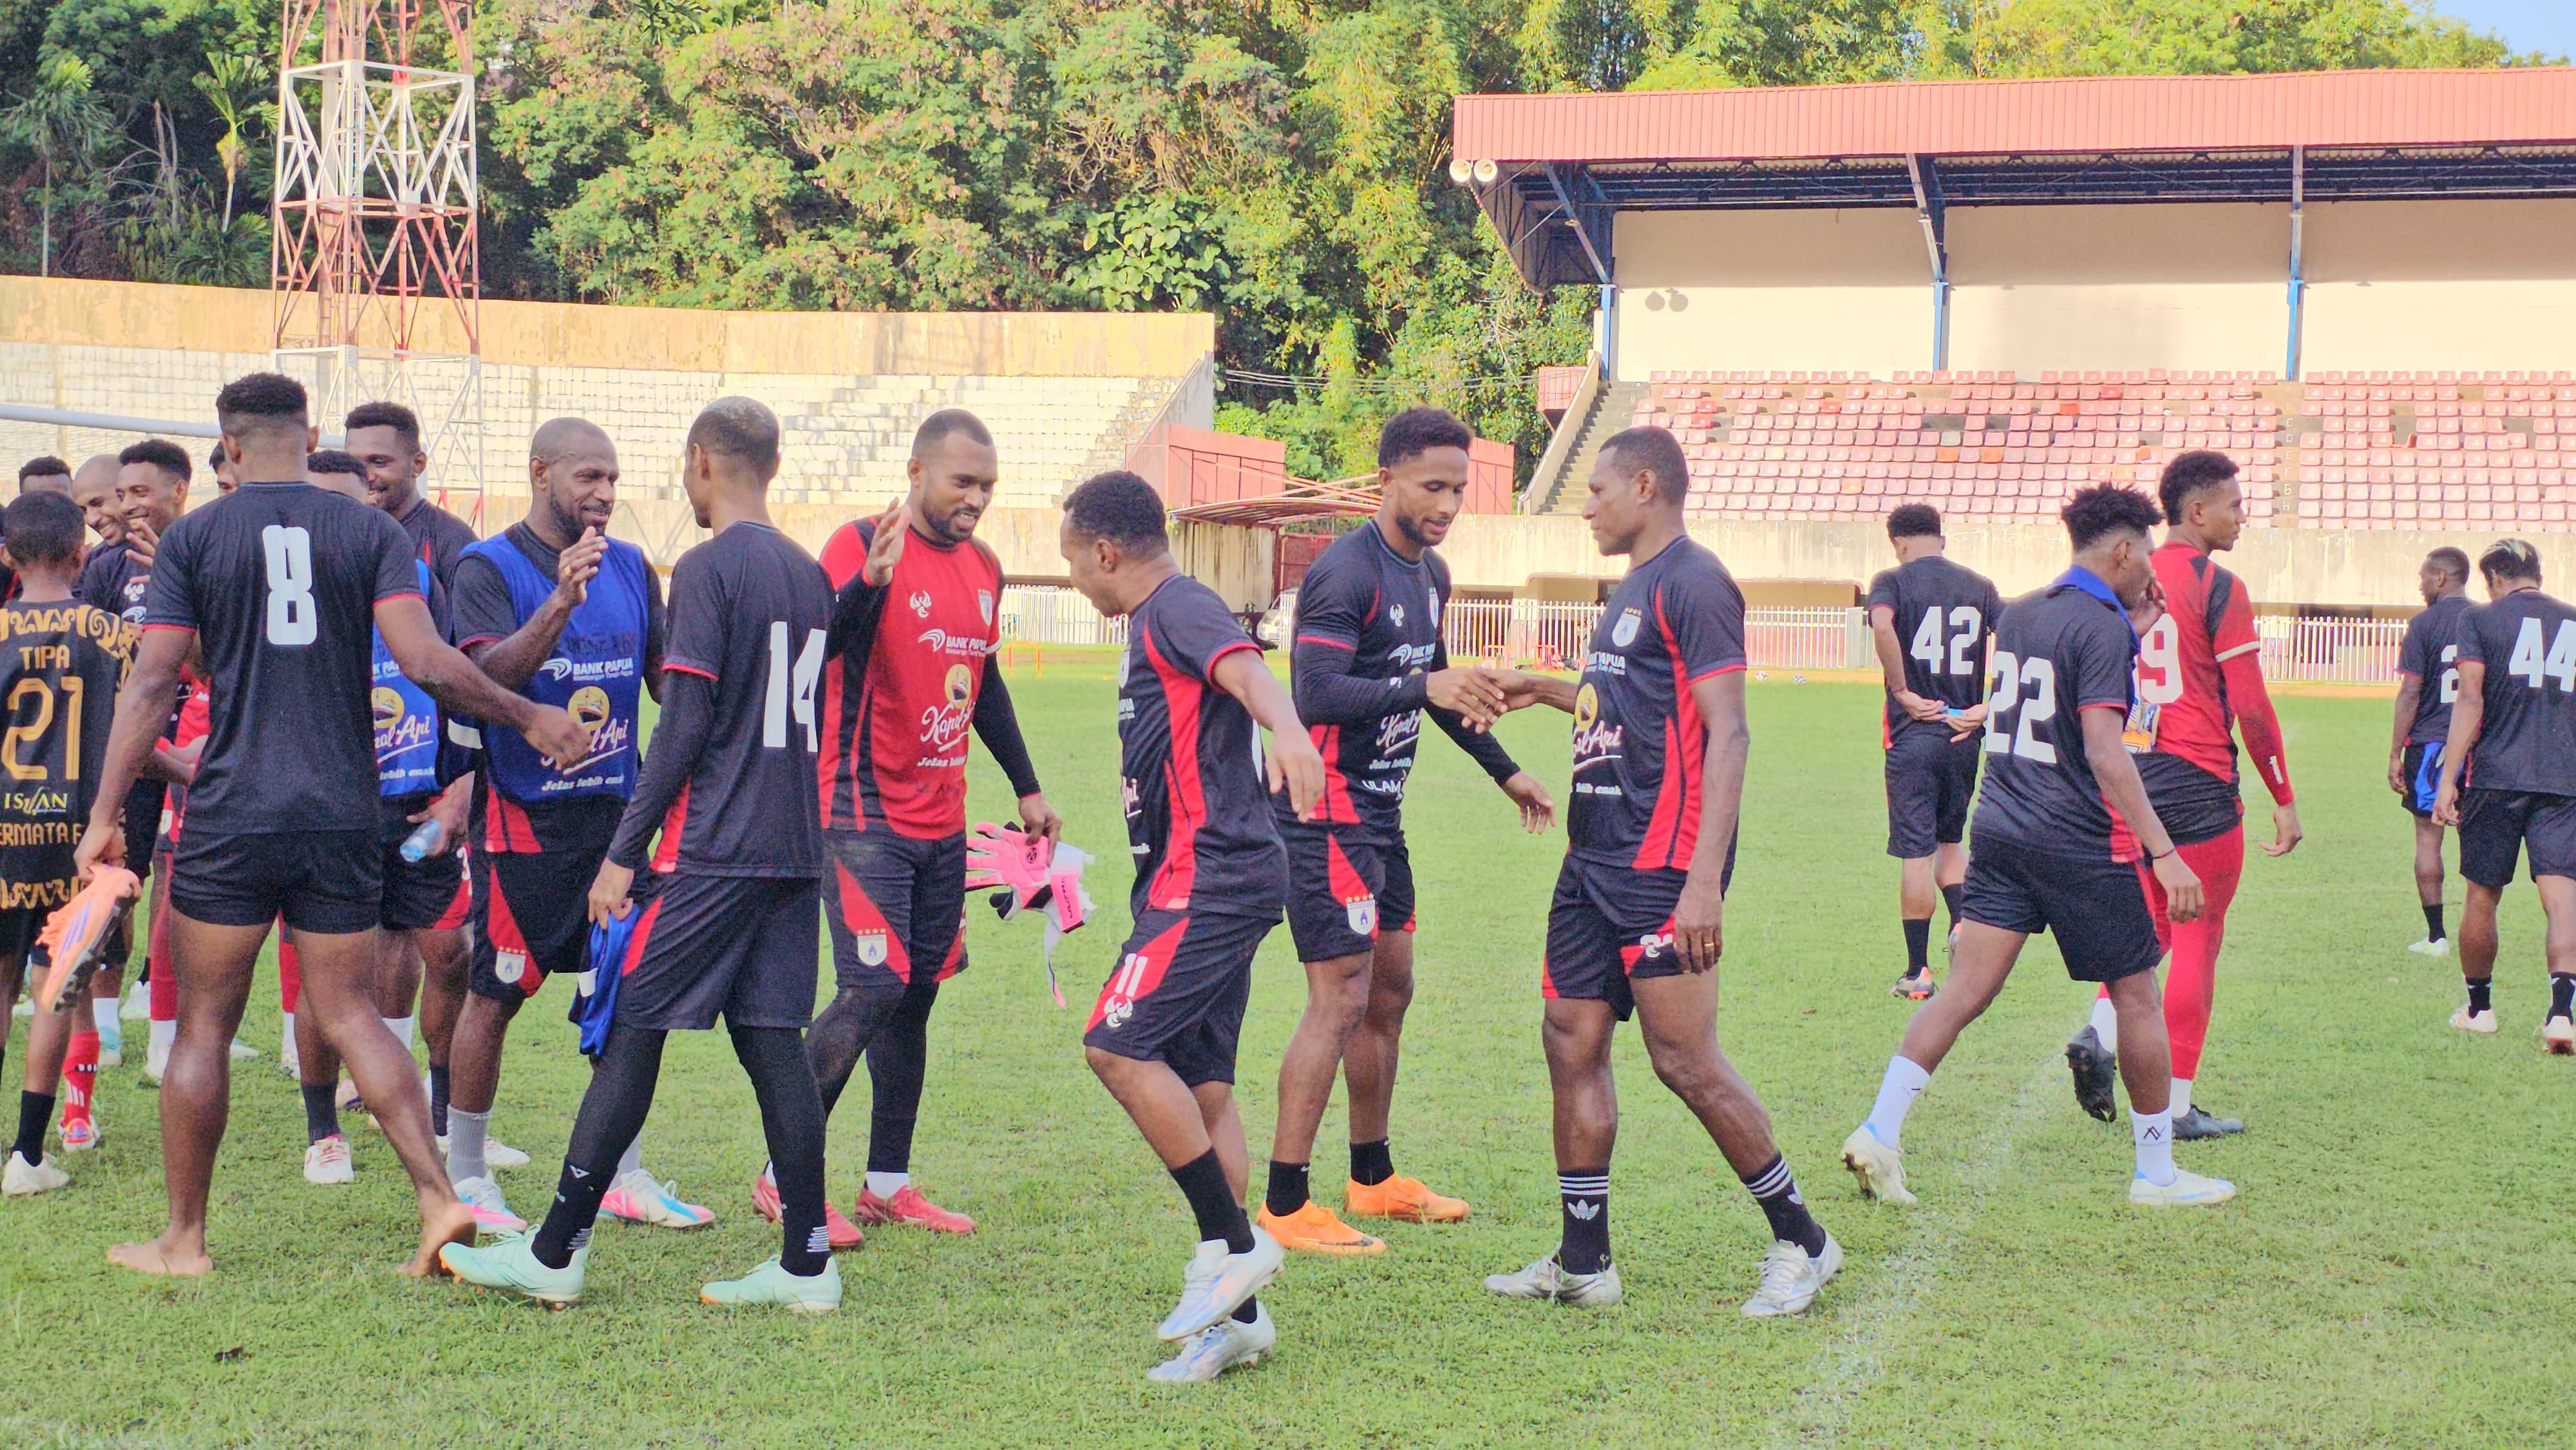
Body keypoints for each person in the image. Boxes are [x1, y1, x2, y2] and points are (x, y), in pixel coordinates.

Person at [74, 371, 589, 1278]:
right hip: (344, 809)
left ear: (226, 445)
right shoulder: (370, 530)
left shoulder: (196, 536)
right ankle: (438, 1201)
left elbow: (155, 681)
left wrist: (106, 813)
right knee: (352, 1011)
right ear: (309, 434)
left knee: (204, 1025)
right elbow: (428, 660)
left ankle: (183, 1241)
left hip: (234, 809)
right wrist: (527, 715)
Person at [440, 397, 840, 1312]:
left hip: (717, 850)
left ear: (703, 461)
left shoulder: (703, 568)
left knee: (630, 1032)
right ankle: (809, 1263)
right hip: (794, 850)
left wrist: (627, 852)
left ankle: (552, 1253)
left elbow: (687, 720)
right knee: (774, 1045)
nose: (613, 495)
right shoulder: (809, 575)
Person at [1481, 425, 1839, 1317]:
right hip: (1591, 858)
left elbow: (1728, 731)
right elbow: (1636, 706)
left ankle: (1805, 1240)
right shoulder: (1632, 586)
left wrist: (1704, 882)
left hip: (1660, 867)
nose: (1587, 507)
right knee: (1570, 1037)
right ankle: (1584, 1260)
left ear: (1645, 486)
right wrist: (1548, 687)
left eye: (1596, 491)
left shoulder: (1694, 581)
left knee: (1685, 1061)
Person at [1842, 484, 2236, 1212]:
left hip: (2000, 826)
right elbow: (2104, 750)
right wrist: (2165, 852)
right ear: (2122, 550)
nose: (2150, 563)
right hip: (2076, 839)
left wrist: (2132, 627)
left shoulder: (2023, 610)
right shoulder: (2100, 625)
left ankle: (1879, 1128)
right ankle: (2156, 1173)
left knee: (1963, 989)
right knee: (2138, 995)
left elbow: (2039, 697)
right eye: (2145, 549)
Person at [1256, 406, 1550, 1257]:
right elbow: (1314, 693)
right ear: (1385, 480)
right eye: (1432, 486)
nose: (1448, 504)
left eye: (1459, 488)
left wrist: (1507, 771)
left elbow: (1438, 687)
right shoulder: (1345, 573)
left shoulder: (1432, 576)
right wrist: (1428, 689)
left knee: (1389, 991)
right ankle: (1283, 1201)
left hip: (1379, 816)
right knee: (1339, 999)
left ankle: (1375, 1179)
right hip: (1323, 815)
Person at [767, 408, 1057, 1245]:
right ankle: (783, 1176)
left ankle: (885, 1183)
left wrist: (1028, 786)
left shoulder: (986, 567)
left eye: (988, 486)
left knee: (915, 1001)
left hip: (943, 821)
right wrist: (871, 585)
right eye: (963, 481)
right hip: (862, 815)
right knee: (872, 987)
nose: (976, 498)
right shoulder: (860, 542)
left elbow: (984, 680)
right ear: (917, 470)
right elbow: (819, 649)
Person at [1058, 468, 1318, 1382]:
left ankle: (1229, 1243)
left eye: (1073, 565)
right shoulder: (1150, 627)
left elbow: (1248, 671)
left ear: (1102, 551)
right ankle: (1238, 1320)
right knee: (1204, 1088)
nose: (1076, 583)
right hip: (1196, 878)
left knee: (1116, 1048)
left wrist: (1287, 730)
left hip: (1207, 882)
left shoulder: (1174, 606)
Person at [442, 417, 701, 1234]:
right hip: (526, 823)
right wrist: (560, 600)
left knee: (624, 993)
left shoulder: (629, 564)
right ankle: (468, 1170)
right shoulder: (486, 566)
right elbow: (482, 679)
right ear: (540, 471)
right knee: (497, 992)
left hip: (615, 824)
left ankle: (621, 1172)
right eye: (588, 476)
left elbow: (665, 677)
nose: (604, 495)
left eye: (613, 479)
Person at [2063, 451, 2299, 1140]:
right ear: (2197, 511)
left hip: (2129, 775)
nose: (2241, 513)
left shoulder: (2119, 570)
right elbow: (2251, 705)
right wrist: (2282, 794)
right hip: (2197, 779)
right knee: (2201, 934)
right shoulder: (2214, 583)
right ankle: (2175, 1102)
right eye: (2233, 502)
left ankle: (2101, 1030)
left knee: (2154, 929)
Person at [279, 450, 470, 1186]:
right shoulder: (287, 596)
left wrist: (462, 787)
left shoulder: (415, 581)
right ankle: (323, 1129)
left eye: (355, 506)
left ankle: (447, 1112)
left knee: (452, 951)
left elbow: (453, 678)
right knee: (331, 979)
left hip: (417, 805)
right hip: (331, 813)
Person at [341, 402, 477, 1158]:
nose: (367, 474)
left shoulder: (452, 547)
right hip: (353, 784)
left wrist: (463, 785)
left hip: (429, 786)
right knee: (380, 940)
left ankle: (444, 1097)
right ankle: (381, 1093)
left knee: (448, 946)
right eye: (356, 459)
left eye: (381, 461)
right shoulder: (341, 540)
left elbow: (473, 668)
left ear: (417, 465)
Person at [0, 491, 132, 1195]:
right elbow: (138, 724)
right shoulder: (110, 633)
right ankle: (26, 1154)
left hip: (2, 833)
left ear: (5, 556)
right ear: (82, 551)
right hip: (81, 840)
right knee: (57, 989)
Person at [2429, 538, 2576, 1050]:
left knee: (2482, 894)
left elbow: (2469, 699)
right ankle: (2561, 1014)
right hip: (2563, 778)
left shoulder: (2481, 620)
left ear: (2493, 578)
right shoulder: (2574, 620)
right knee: (2561, 898)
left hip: (2495, 775)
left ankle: (2480, 1009)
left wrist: (2447, 779)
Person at [1866, 504, 2003, 999]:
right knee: (1951, 842)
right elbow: (2017, 639)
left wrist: (1902, 690)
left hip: (1913, 734)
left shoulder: (1892, 580)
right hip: (1964, 736)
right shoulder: (1980, 585)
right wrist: (1988, 707)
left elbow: (1883, 626)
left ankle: (1918, 971)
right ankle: (1962, 927)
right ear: (1941, 539)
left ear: (1899, 543)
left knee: (1915, 853)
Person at [2391, 547, 2473, 956]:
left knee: (2428, 839)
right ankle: (2479, 930)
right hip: (2478, 744)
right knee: (2478, 839)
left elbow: (2410, 692)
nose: (2420, 584)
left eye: (2424, 577)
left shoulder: (2423, 624)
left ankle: (2437, 937)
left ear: (2440, 578)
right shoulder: (2485, 619)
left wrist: (2393, 753)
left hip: (2430, 743)